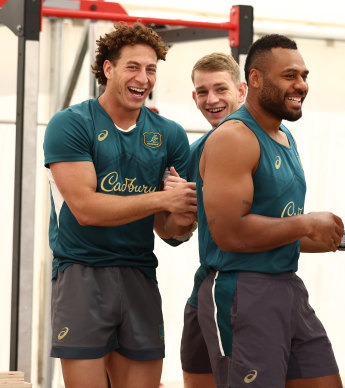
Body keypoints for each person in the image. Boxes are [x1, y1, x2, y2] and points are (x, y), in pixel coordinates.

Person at [183, 34, 344, 388]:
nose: (301, 85)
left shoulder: (285, 136)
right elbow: (230, 233)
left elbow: (277, 229)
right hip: (241, 289)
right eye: (290, 75)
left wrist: (340, 239)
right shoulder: (233, 138)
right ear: (254, 79)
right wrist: (306, 222)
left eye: (304, 75)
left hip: (286, 285)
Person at [43, 22, 196, 388]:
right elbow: (86, 209)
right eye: (133, 67)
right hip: (82, 272)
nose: (143, 77)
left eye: (151, 69)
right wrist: (163, 198)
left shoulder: (170, 134)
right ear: (108, 69)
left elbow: (171, 232)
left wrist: (182, 215)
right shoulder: (70, 124)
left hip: (139, 273)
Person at [178, 52, 247, 388]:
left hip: (246, 291)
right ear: (194, 97)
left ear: (242, 91)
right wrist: (170, 203)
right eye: (202, 92)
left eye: (221, 89)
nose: (212, 99)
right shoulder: (195, 151)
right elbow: (176, 232)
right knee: (196, 374)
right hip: (205, 285)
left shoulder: (267, 141)